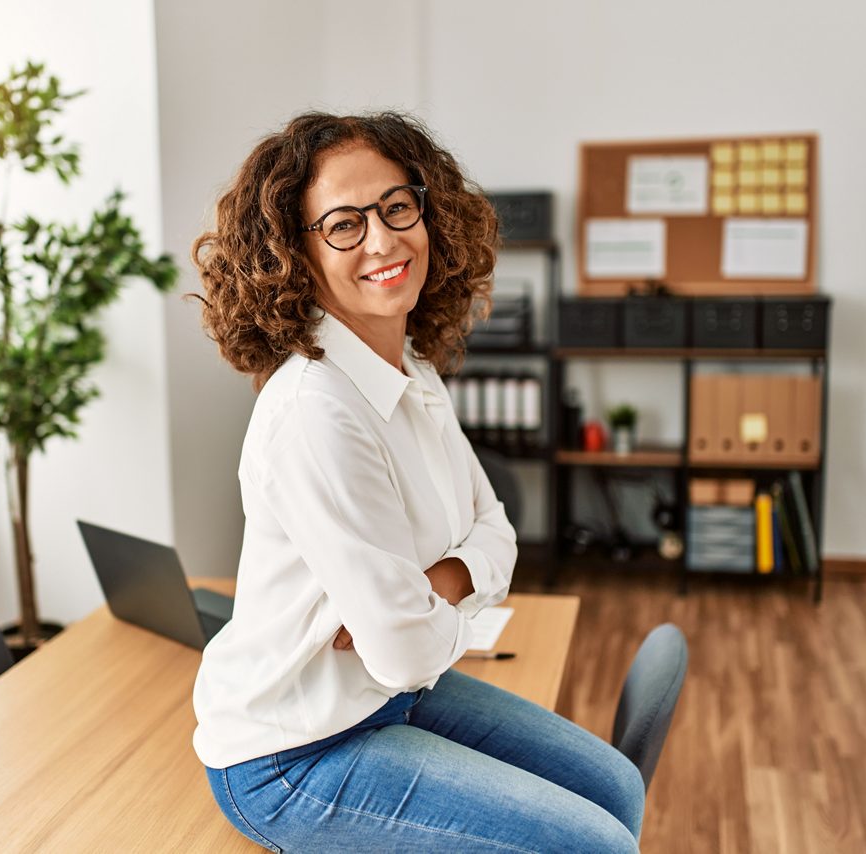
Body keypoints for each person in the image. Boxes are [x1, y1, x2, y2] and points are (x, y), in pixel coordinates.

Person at [190, 111, 644, 853]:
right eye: (343, 224)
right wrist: (416, 613)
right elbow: (402, 650)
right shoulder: (317, 411)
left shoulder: (412, 373)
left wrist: (434, 584)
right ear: (295, 255)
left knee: (617, 789)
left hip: (388, 696)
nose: (382, 239)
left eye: (397, 206)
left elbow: (495, 531)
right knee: (598, 846)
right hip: (293, 752)